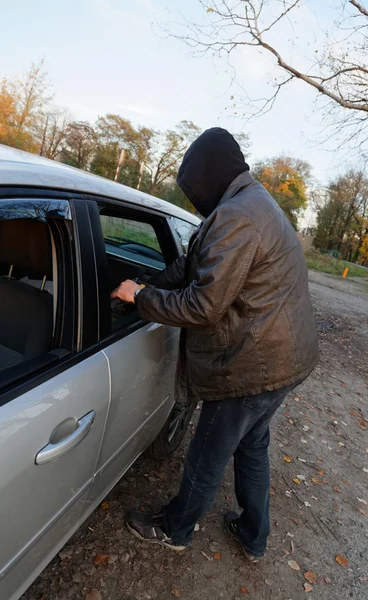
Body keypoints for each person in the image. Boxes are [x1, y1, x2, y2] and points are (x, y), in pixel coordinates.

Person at [111, 127, 319, 562]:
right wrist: (152, 282)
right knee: (253, 445)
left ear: (209, 176)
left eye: (195, 189)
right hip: (286, 360)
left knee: (207, 453)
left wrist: (141, 297)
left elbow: (204, 305)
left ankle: (176, 529)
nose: (194, 199)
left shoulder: (236, 216)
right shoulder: (252, 202)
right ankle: (253, 534)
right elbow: (195, 265)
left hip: (251, 365)